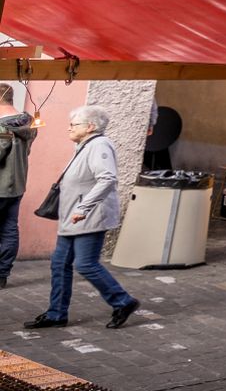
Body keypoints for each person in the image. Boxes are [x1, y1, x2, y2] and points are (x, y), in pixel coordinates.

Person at [23, 106, 139, 331]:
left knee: (85, 264)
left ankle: (123, 302)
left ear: (90, 127)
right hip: (73, 217)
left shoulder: (99, 146)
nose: (69, 128)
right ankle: (56, 314)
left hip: (88, 217)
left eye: (74, 124)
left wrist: (84, 208)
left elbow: (107, 179)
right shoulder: (84, 146)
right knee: (59, 263)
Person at [0, 85, 35, 290]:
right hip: (17, 186)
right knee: (9, 230)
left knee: (8, 230)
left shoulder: (3, 126)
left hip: (1, 186)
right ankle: (2, 274)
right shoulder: (26, 123)